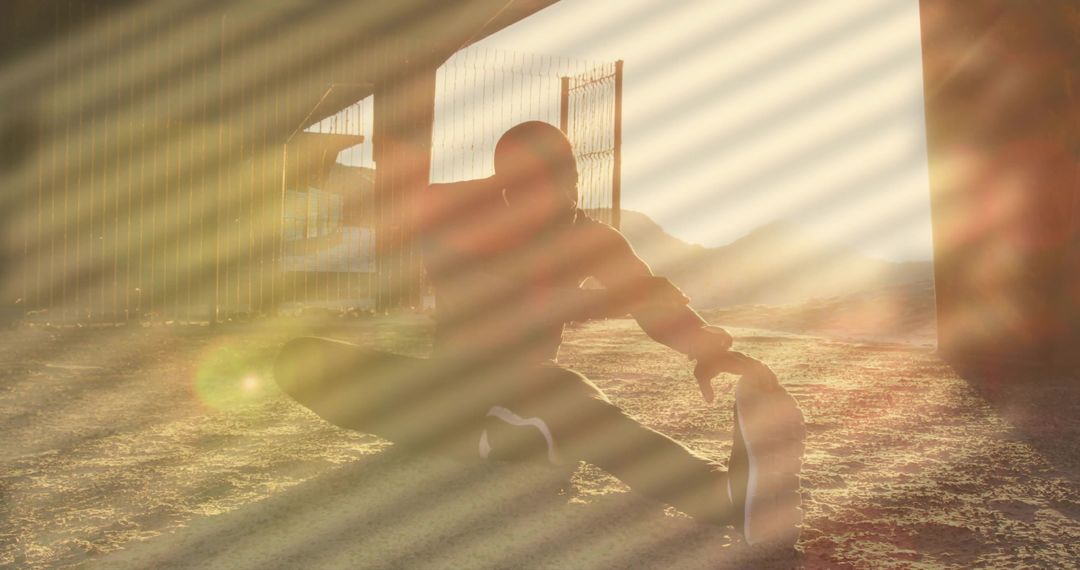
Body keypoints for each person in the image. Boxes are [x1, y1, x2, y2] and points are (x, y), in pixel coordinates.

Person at [274, 121, 805, 548]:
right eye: (530, 185)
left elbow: (647, 295)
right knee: (300, 359)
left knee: (559, 395)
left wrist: (706, 347)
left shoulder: (591, 235)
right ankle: (508, 439)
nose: (557, 198)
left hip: (526, 386)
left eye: (564, 182)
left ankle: (725, 497)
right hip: (443, 389)